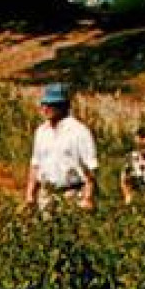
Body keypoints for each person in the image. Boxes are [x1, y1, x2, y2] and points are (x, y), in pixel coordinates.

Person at [24, 82, 98, 210]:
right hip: (46, 195)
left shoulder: (79, 131)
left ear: (64, 106)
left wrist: (88, 198)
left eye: (52, 105)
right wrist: (30, 194)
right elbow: (35, 165)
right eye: (44, 105)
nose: (46, 109)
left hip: (72, 194)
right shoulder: (41, 132)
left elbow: (91, 168)